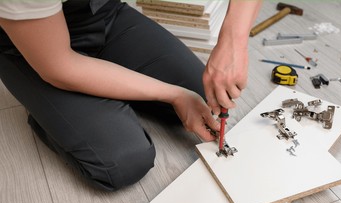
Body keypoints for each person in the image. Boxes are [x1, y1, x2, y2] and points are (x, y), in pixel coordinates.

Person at [0, 0, 262, 191]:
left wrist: (234, 41)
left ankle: (96, 97)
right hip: (31, 43)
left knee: (200, 93)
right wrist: (173, 95)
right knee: (123, 161)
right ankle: (46, 108)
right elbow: (60, 67)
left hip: (102, 12)